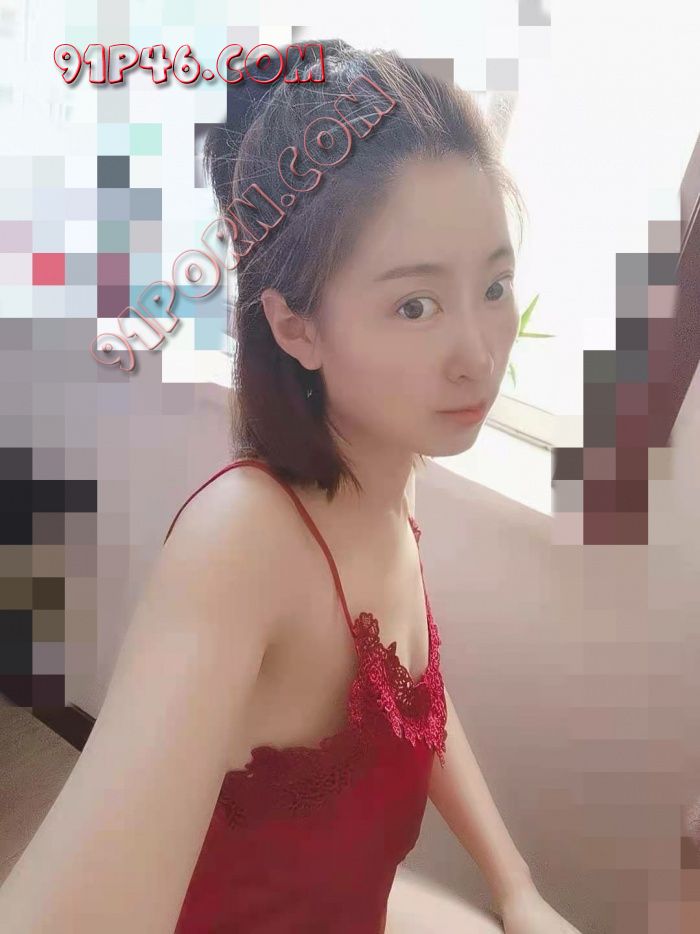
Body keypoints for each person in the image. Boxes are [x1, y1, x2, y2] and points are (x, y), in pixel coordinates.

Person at [0, 37, 583, 933]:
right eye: (416, 305)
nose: (478, 353)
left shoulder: (392, 469)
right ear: (296, 327)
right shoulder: (244, 541)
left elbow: (415, 700)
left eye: (495, 285)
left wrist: (515, 887)